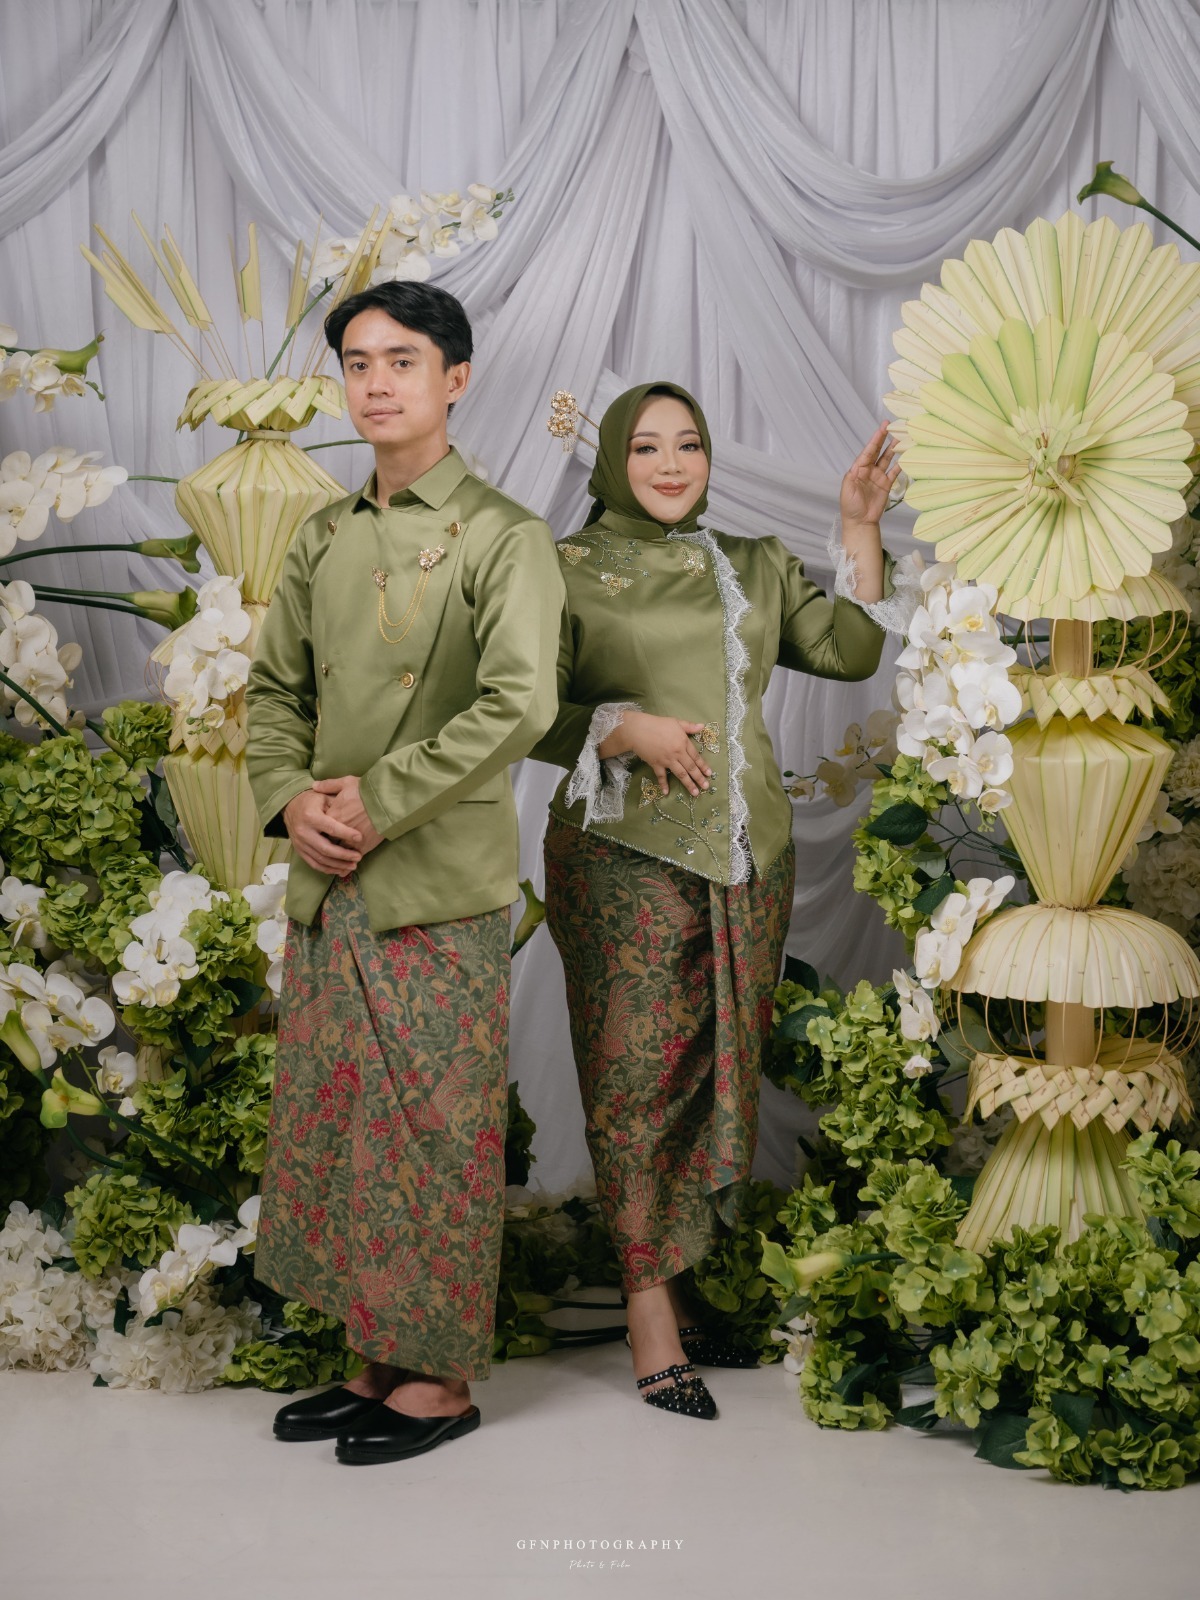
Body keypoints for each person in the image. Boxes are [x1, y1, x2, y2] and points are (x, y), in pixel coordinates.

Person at [532, 382, 905, 1419]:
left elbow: (850, 652)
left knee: (706, 1080)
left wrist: (858, 528)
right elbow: (516, 707)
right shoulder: (563, 568)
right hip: (623, 857)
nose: (670, 463)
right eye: (646, 446)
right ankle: (649, 1313)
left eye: (688, 443)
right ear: (613, 458)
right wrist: (623, 728)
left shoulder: (754, 561)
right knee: (636, 1081)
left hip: (749, 858)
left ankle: (680, 1281)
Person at [244, 281, 565, 1465]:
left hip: (434, 878)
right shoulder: (322, 534)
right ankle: (375, 1360)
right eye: (359, 363)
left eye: (403, 361)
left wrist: (374, 803)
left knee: (432, 1127)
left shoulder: (503, 534)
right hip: (329, 874)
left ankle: (439, 1378)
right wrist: (292, 798)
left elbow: (520, 703)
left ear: (455, 378)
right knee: (343, 1124)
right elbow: (274, 692)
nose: (376, 383)